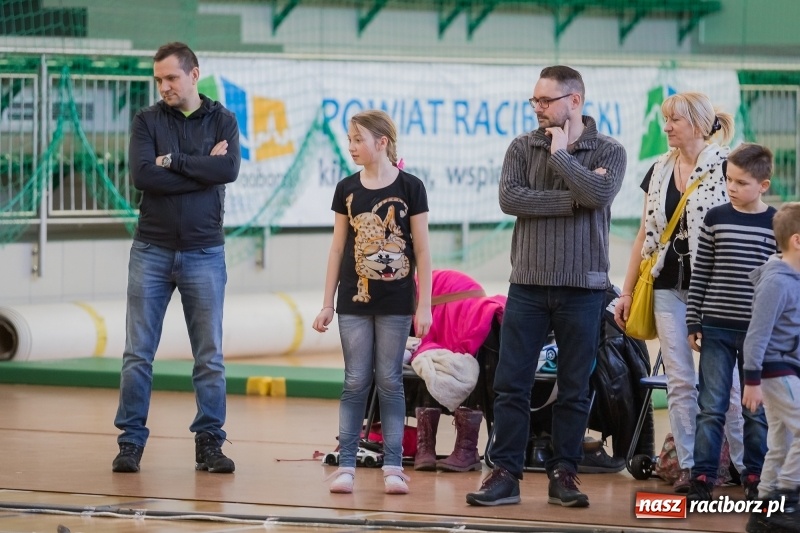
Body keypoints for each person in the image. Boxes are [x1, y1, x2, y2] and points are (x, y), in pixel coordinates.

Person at [465, 65, 626, 508]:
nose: (537, 109)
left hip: (584, 287)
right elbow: (510, 199)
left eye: (546, 101)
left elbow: (598, 197)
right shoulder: (522, 146)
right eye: (534, 101)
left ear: (574, 101)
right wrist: (573, 196)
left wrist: (561, 159)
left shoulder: (609, 150)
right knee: (510, 383)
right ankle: (504, 473)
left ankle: (565, 474)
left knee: (575, 386)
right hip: (529, 286)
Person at [112, 42, 240, 474]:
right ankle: (130, 442)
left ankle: (210, 442)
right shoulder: (146, 120)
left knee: (209, 356)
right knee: (137, 355)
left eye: (171, 78)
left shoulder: (222, 119)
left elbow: (228, 171)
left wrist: (178, 163)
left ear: (194, 74)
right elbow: (143, 177)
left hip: (205, 252)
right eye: (159, 80)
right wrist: (200, 169)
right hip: (151, 249)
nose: (163, 86)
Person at [614, 91, 747, 493]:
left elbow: (744, 226)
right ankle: (690, 466)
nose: (667, 127)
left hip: (718, 290)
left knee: (731, 387)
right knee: (680, 381)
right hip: (667, 286)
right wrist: (625, 291)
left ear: (699, 124)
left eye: (674, 120)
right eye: (666, 120)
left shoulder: (728, 166)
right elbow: (644, 233)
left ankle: (745, 466)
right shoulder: (658, 169)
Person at [312, 109, 432, 495]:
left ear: (381, 143)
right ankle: (347, 464)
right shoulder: (347, 188)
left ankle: (393, 467)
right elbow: (336, 248)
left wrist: (424, 305)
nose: (351, 147)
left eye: (358, 140)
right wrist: (327, 302)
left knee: (391, 381)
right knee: (355, 381)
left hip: (397, 302)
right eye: (349, 140)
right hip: (353, 301)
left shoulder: (412, 188)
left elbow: (424, 252)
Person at [684, 143, 775, 502]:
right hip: (716, 329)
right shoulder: (716, 218)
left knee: (757, 409)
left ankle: (756, 475)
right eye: (728, 181)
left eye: (740, 182)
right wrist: (694, 319)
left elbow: (779, 282)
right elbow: (701, 272)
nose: (731, 188)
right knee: (711, 407)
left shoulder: (776, 224)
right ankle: (703, 476)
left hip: (758, 335)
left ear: (763, 185)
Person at [743, 202, 800, 533]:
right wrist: (752, 382)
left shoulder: (793, 276)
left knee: (780, 442)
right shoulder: (776, 282)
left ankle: (763, 512)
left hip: (787, 370)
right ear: (796, 240)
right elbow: (756, 336)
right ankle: (787, 497)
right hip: (772, 371)